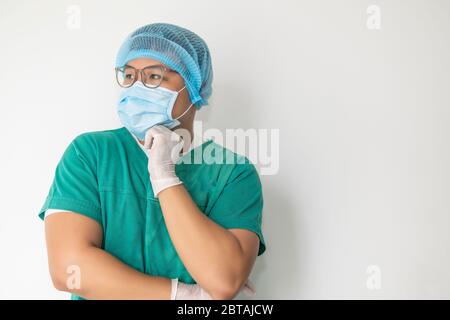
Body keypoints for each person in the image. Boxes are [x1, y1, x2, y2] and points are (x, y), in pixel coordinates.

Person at [38, 22, 266, 300]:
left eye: (154, 76)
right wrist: (183, 295)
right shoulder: (90, 153)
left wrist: (164, 176)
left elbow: (223, 279)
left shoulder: (232, 173)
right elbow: (68, 270)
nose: (137, 87)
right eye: (129, 75)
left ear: (194, 86)